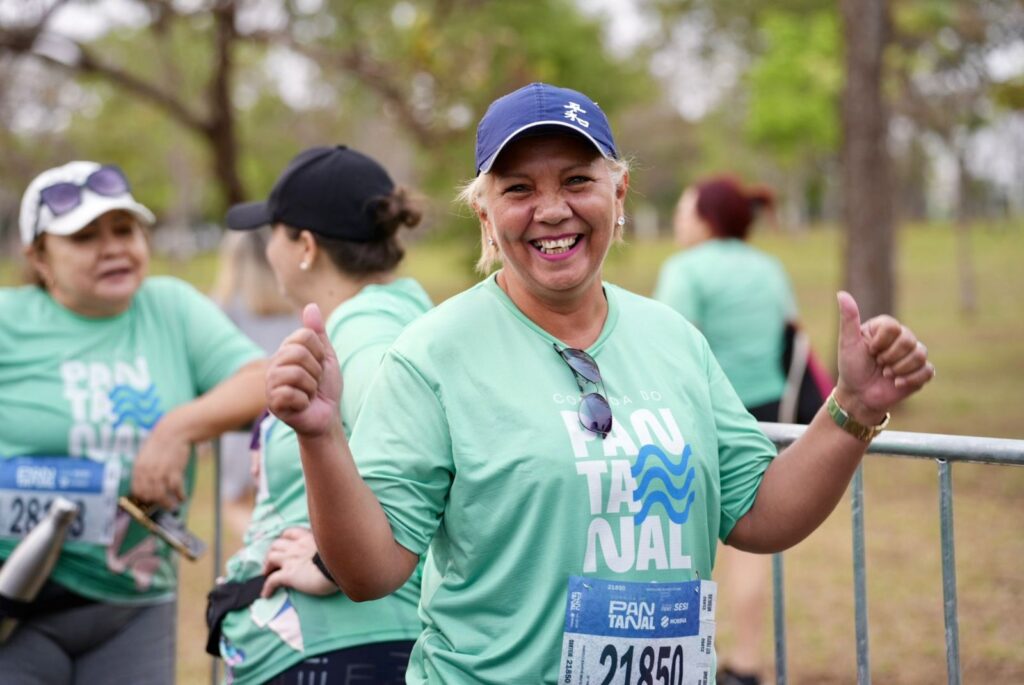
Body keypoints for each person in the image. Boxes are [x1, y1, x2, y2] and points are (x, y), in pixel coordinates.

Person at [267, 83, 935, 684]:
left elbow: (759, 511)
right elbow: (372, 570)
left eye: (577, 180)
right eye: (519, 189)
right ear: (485, 217)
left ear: (618, 198)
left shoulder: (675, 340)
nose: (552, 209)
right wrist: (321, 436)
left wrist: (852, 406)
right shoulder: (432, 354)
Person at [0, 161, 266, 684]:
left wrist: (179, 427)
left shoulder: (170, 307)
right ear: (38, 257)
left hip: (133, 606)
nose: (114, 247)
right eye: (84, 236)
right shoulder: (10, 319)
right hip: (15, 604)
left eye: (124, 229)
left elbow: (264, 378)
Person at [209, 145, 432, 685]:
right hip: (351, 645)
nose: (269, 253)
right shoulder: (407, 314)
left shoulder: (364, 331)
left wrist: (330, 566)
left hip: (344, 650)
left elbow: (423, 447)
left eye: (275, 235)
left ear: (304, 246)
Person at [652, 177, 800, 685]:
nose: (677, 220)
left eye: (683, 210)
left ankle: (690, 656)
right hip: (766, 414)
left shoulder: (684, 271)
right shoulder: (769, 268)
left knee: (688, 541)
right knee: (751, 546)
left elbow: (664, 346)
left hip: (704, 415)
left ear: (707, 217)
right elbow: (789, 328)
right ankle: (748, 662)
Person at [210, 231, 298, 537]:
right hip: (289, 420)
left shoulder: (225, 307)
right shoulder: (296, 304)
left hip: (243, 420)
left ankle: (263, 553)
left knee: (236, 503)